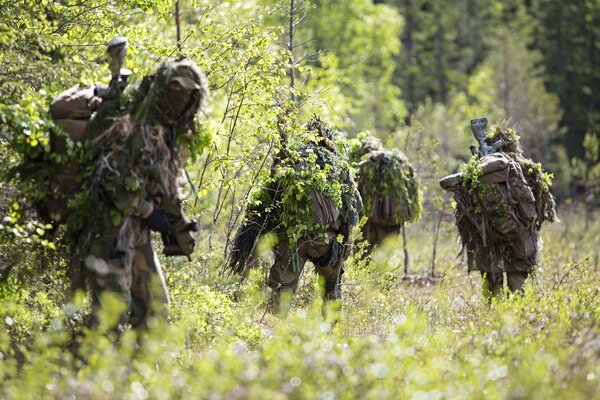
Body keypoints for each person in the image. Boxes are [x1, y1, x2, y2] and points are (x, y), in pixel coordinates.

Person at [83, 59, 208, 329]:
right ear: (164, 88)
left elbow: (159, 180)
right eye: (176, 89)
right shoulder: (134, 126)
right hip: (109, 229)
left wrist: (174, 219)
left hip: (136, 232)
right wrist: (149, 211)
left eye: (189, 93)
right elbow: (112, 177)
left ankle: (139, 370)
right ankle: (88, 368)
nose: (182, 97)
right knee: (110, 316)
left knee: (156, 309)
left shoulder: (165, 131)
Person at [226, 116, 361, 313]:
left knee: (283, 292)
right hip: (325, 241)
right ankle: (332, 335)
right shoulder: (337, 163)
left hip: (291, 240)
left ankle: (275, 335)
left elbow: (270, 200)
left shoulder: (290, 158)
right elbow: (356, 206)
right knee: (331, 289)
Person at [440, 122, 556, 299]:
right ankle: (518, 321)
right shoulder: (526, 168)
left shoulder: (476, 172)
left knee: (493, 291)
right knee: (517, 289)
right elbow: (541, 207)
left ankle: (490, 321)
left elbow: (463, 214)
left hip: (488, 242)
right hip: (520, 239)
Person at [348, 134, 422, 249]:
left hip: (370, 221)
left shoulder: (365, 167)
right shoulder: (395, 166)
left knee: (364, 255)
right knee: (385, 258)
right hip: (393, 221)